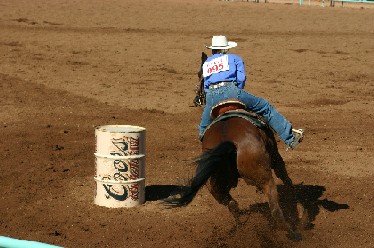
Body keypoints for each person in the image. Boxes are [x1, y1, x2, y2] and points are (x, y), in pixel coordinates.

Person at [198, 35, 304, 150]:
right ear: (225, 49)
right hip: (231, 90)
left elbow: (206, 86)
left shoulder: (206, 63)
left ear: (213, 49)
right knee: (266, 107)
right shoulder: (234, 58)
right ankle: (290, 138)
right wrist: (235, 92)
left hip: (211, 97)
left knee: (203, 129)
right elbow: (241, 80)